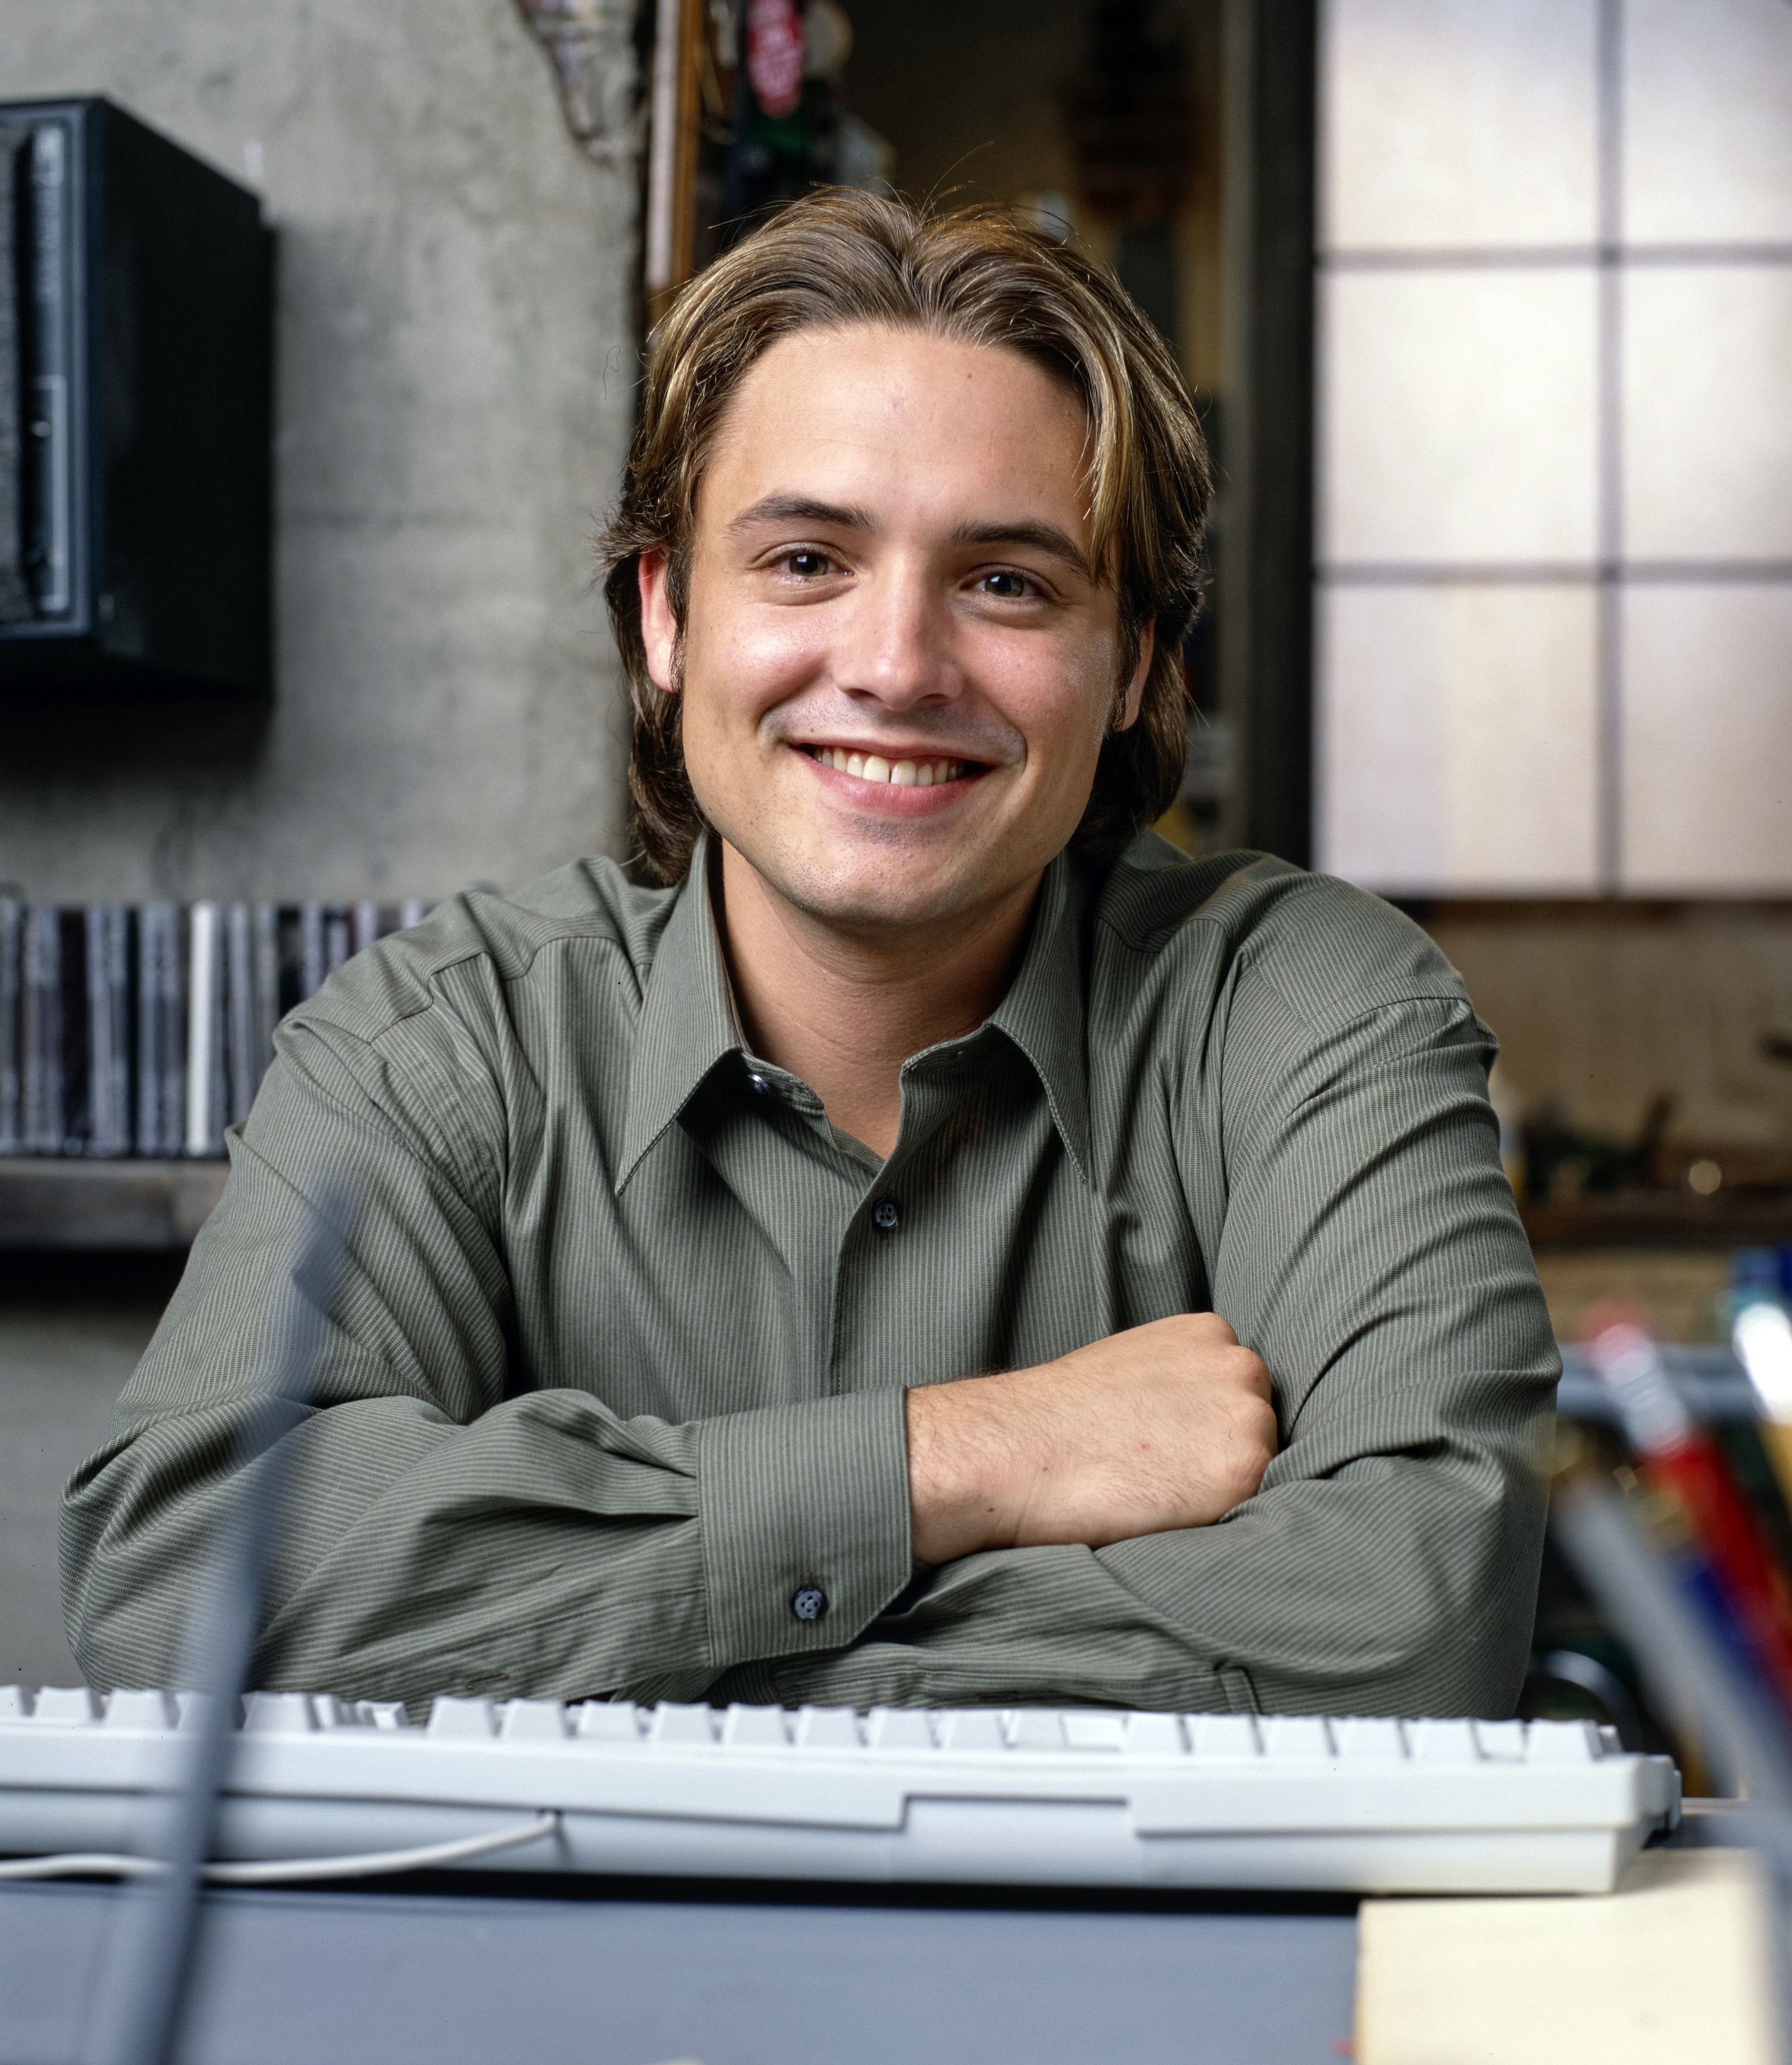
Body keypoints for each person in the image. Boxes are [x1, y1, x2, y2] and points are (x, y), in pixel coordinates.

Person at [62, 192, 1555, 1719]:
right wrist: (952, 1457)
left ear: (1137, 671)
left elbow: (1410, 1622)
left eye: (1007, 583)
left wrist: (648, 1650)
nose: (898, 665)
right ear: (666, 617)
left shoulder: (1310, 1014)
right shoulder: (440, 1046)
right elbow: (179, 1591)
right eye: (802, 561)